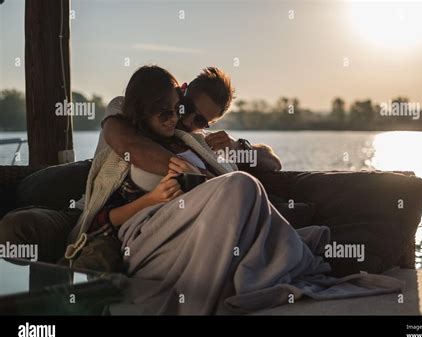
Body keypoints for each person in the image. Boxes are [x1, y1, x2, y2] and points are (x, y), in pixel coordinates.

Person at [65, 65, 403, 315]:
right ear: (180, 92)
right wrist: (195, 175)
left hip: (209, 221)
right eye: (185, 109)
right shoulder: (129, 113)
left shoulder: (201, 143)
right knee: (240, 187)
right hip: (149, 232)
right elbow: (126, 145)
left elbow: (271, 162)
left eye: (200, 120)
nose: (183, 119)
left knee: (251, 192)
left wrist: (236, 147)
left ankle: (298, 259)